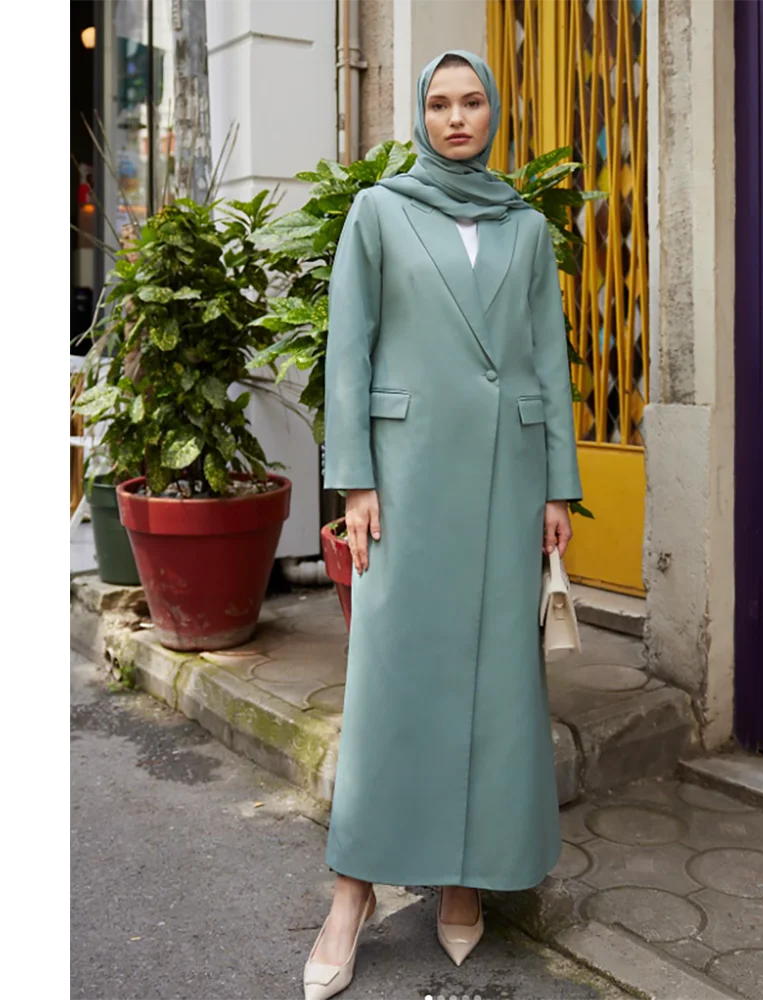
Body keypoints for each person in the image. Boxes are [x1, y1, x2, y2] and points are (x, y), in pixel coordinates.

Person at [303, 49, 583, 1000]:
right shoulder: (380, 211)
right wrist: (354, 483)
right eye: (439, 102)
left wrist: (558, 488)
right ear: (419, 114)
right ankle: (352, 894)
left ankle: (463, 880)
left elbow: (548, 360)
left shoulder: (526, 226)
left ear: (493, 111)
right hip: (406, 485)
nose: (457, 117)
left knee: (494, 685)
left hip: (508, 483)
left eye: (472, 102)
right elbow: (351, 349)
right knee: (388, 684)